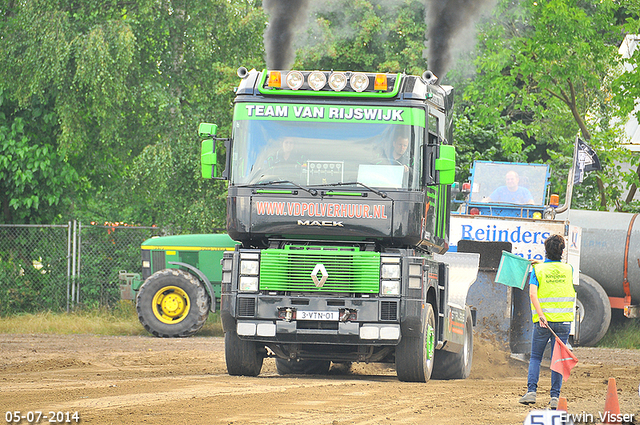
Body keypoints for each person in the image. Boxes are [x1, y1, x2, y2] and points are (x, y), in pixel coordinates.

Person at [519, 234, 576, 410]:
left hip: (543, 322)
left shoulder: (538, 271)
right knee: (557, 359)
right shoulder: (569, 269)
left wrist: (541, 314)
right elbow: (556, 272)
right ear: (562, 251)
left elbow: (532, 294)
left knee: (535, 357)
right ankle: (554, 398)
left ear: (546, 250)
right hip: (564, 322)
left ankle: (531, 392)